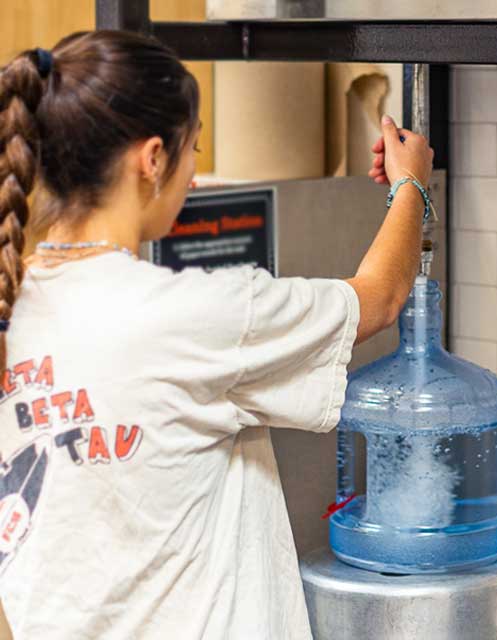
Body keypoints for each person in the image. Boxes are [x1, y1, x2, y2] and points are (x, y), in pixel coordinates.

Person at [0, 30, 433, 639]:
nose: (193, 179)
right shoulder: (196, 318)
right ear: (152, 159)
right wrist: (412, 183)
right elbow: (380, 298)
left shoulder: (12, 308)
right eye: (192, 152)